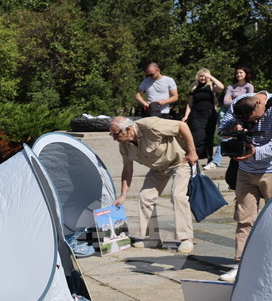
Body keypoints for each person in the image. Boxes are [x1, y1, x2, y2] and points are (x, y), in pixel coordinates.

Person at [110, 115, 198, 253]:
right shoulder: (124, 145)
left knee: (178, 196)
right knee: (145, 196)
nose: (114, 139)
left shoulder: (150, 125)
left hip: (179, 161)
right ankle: (153, 238)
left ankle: (186, 239)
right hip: (158, 168)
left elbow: (182, 126)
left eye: (115, 135)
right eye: (112, 135)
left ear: (127, 129)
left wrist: (192, 152)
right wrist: (123, 195)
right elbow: (127, 169)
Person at [216, 92, 272, 282]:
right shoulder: (239, 104)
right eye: (246, 119)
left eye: (252, 118)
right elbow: (221, 131)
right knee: (244, 219)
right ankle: (241, 265)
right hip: (245, 172)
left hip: (270, 171)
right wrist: (234, 127)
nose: (250, 122)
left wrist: (254, 152)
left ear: (260, 104)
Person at [181, 68, 224, 169]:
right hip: (196, 115)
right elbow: (190, 104)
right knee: (197, 137)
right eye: (201, 76)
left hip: (209, 115)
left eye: (204, 76)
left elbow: (221, 87)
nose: (203, 78)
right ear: (198, 77)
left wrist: (210, 77)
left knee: (209, 137)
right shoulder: (194, 88)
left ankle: (209, 158)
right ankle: (195, 157)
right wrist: (186, 116)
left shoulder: (211, 87)